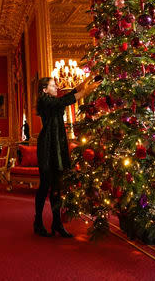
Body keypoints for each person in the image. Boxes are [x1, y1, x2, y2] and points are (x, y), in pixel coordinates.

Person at [34, 76, 99, 238]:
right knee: (45, 185)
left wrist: (86, 82)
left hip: (59, 144)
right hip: (48, 145)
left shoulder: (54, 99)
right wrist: (85, 92)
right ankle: (38, 222)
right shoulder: (44, 101)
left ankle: (57, 223)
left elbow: (70, 94)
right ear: (44, 89)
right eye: (52, 85)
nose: (56, 87)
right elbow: (64, 101)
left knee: (57, 185)